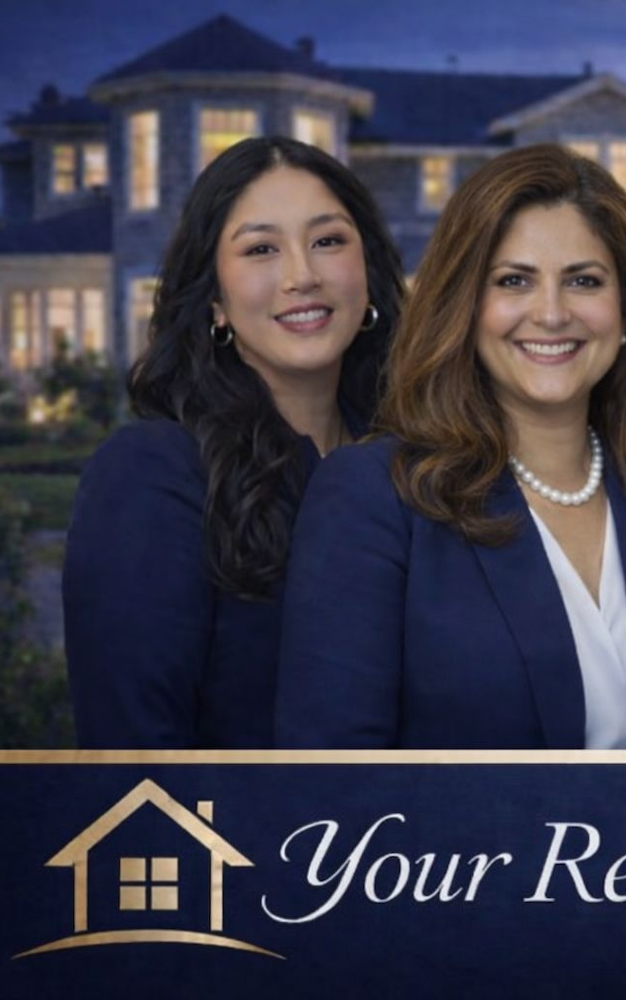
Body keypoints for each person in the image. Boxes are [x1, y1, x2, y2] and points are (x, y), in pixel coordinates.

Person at [275, 144, 626, 749]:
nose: (550, 313)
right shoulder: (374, 498)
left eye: (584, 281)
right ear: (463, 306)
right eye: (513, 281)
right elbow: (331, 784)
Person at [64, 137, 404, 748]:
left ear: (369, 272)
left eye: (328, 241)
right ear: (215, 300)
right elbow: (133, 755)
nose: (302, 275)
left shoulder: (414, 467)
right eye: (261, 249)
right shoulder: (153, 473)